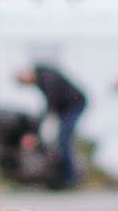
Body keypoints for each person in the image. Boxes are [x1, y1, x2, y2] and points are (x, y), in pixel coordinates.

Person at [16, 59, 89, 190]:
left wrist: (35, 132)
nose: (28, 84)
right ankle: (63, 176)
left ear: (26, 73)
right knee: (59, 140)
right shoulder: (41, 79)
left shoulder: (45, 76)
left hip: (74, 105)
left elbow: (50, 104)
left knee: (64, 140)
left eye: (24, 81)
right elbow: (49, 106)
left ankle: (70, 178)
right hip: (64, 109)